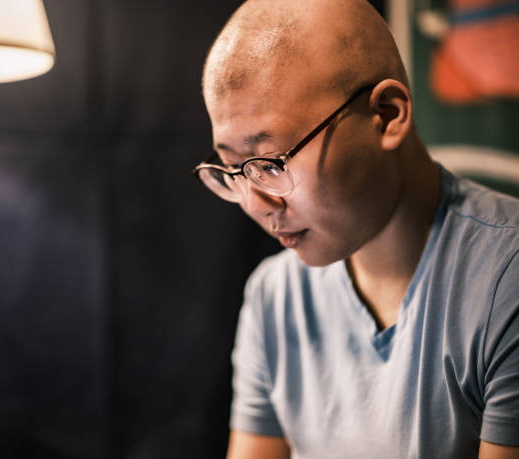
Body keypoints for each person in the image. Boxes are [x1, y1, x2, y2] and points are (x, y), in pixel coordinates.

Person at [192, 0, 519, 458]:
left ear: (386, 114)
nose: (255, 202)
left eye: (270, 161)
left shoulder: (505, 281)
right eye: (232, 168)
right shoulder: (275, 296)